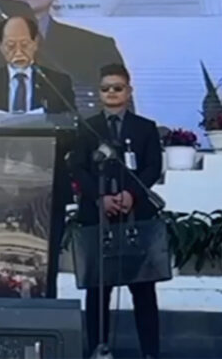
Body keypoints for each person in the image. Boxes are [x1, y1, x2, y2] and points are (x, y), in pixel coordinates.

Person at [0, 15, 76, 298]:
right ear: (0, 46)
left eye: (24, 44)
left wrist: (43, 128)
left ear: (36, 43)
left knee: (45, 265)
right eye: (10, 44)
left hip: (46, 186)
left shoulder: (57, 82)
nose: (18, 51)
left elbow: (71, 132)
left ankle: (45, 319)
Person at [68, 63, 162, 359]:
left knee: (143, 289)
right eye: (105, 88)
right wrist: (100, 197)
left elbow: (153, 167)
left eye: (117, 88)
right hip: (97, 216)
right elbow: (77, 167)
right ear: (99, 93)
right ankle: (98, 349)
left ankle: (150, 353)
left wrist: (130, 194)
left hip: (136, 215)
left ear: (129, 91)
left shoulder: (145, 127)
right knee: (98, 290)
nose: (111, 93)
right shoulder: (87, 127)